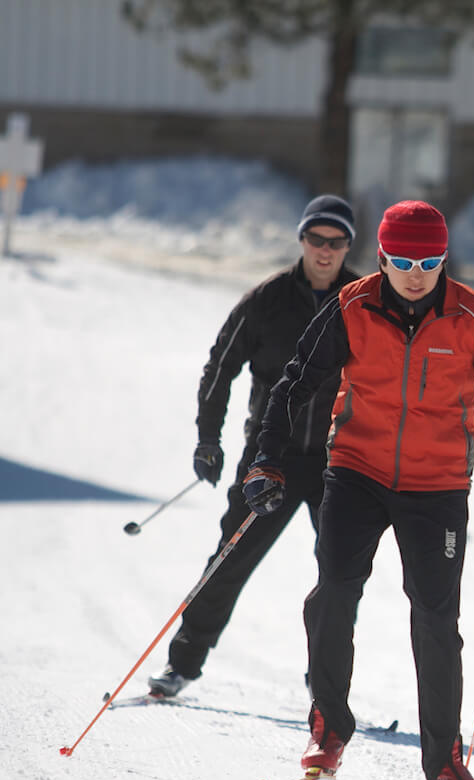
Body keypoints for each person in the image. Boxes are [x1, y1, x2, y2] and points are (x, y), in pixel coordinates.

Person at [242, 199, 474, 780]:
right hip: (356, 472)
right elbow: (293, 385)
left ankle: (445, 764)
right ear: (382, 256)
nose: (417, 273)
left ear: (445, 259)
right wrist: (266, 460)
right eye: (404, 260)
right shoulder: (351, 306)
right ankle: (328, 729)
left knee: (436, 620)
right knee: (334, 590)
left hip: (436, 485)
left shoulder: (473, 317)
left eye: (431, 260)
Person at [147, 195, 361, 698]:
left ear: (349, 245)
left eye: (337, 242)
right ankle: (182, 663)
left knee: (340, 575)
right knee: (231, 559)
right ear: (302, 239)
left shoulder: (361, 300)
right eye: (317, 239)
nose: (326, 250)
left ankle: (327, 687)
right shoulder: (266, 300)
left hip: (338, 459)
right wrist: (208, 439)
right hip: (272, 457)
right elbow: (219, 368)